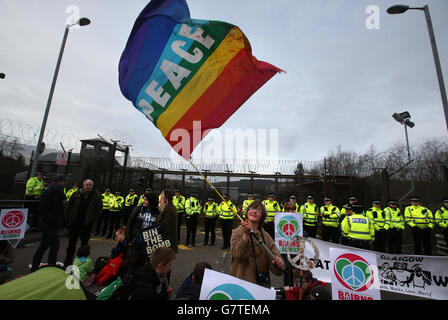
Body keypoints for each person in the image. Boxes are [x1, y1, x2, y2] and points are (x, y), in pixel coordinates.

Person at [230, 200, 284, 288]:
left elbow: (277, 263)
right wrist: (246, 236)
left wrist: (279, 264)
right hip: (241, 287)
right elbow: (238, 256)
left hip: (261, 287)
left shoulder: (266, 236)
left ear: (262, 216)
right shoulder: (237, 233)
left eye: (258, 211)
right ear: (247, 212)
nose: (254, 212)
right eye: (252, 209)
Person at [30, 174, 67, 272]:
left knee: (44, 246)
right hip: (49, 224)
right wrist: (53, 220)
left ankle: (35, 267)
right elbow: (42, 209)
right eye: (64, 181)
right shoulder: (50, 192)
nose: (65, 183)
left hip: (51, 224)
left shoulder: (57, 191)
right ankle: (51, 269)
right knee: (54, 246)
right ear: (58, 182)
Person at [63, 179, 103, 267]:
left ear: (92, 186)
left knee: (84, 246)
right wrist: (68, 218)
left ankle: (82, 265)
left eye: (90, 185)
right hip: (74, 224)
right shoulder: (76, 194)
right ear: (83, 185)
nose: (88, 187)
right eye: (87, 185)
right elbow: (68, 206)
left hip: (86, 225)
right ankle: (67, 264)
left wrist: (92, 220)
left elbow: (99, 210)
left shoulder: (97, 196)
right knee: (71, 245)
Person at [126, 192, 159, 274]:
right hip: (137, 241)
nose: (143, 201)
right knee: (133, 264)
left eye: (146, 200)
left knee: (145, 265)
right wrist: (128, 239)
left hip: (149, 243)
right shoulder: (138, 209)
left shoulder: (157, 212)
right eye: (143, 199)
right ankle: (129, 282)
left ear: (151, 201)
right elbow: (129, 223)